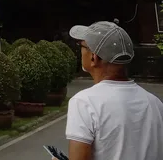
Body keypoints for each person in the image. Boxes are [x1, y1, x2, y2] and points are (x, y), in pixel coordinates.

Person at [59, 21, 163, 160]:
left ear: (93, 57)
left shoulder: (84, 102)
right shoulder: (155, 104)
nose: (80, 51)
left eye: (81, 46)